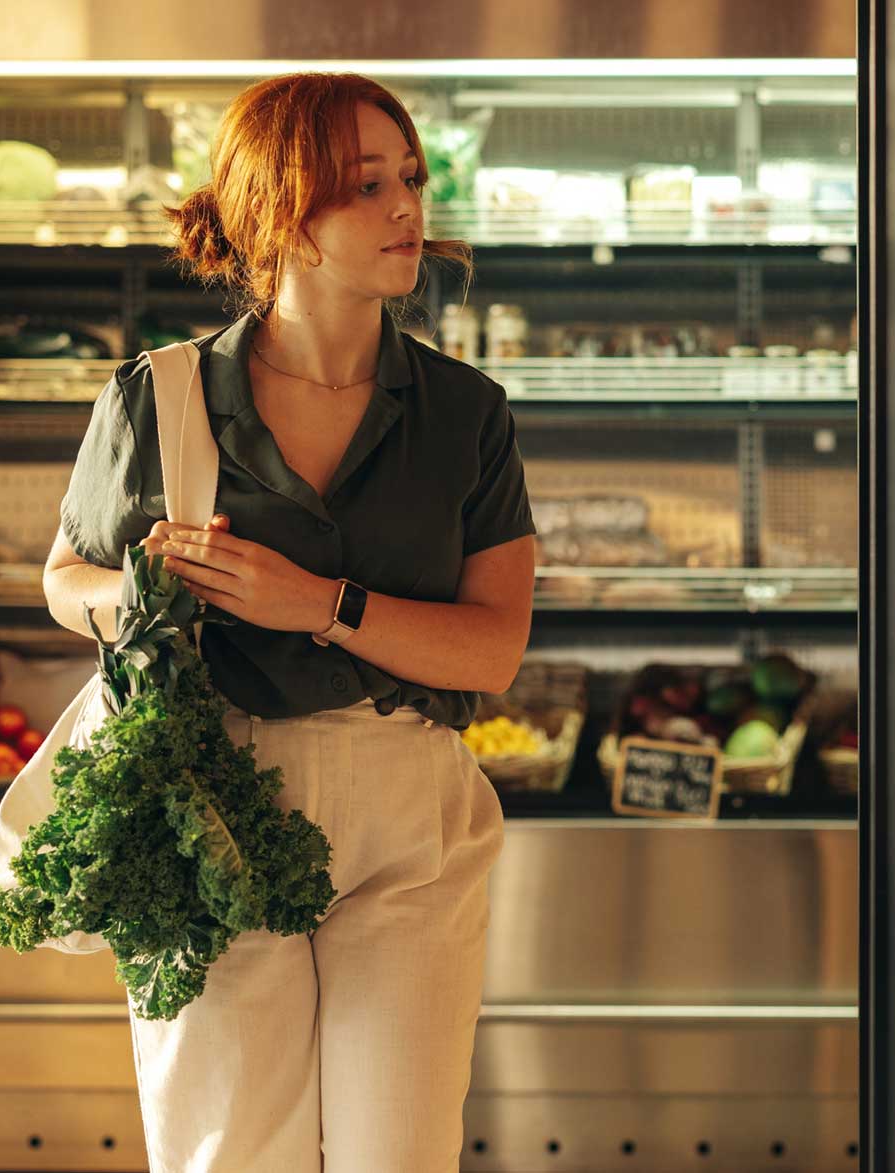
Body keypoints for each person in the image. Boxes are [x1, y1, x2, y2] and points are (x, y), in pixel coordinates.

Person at [41, 72, 536, 1173]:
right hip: (207, 800)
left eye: (408, 178)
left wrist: (313, 604)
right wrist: (135, 600)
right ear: (279, 211)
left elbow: (492, 647)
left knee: (397, 1154)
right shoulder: (155, 398)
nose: (407, 206)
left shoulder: (465, 415)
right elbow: (64, 576)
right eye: (366, 186)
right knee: (225, 1152)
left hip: (406, 810)